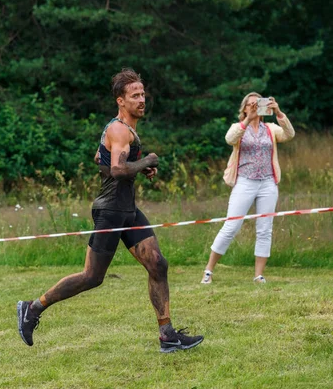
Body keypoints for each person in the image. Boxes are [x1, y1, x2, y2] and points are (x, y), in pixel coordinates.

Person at [17, 68, 203, 353]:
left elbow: (100, 159)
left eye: (143, 94)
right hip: (111, 212)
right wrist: (147, 160)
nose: (142, 100)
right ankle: (32, 308)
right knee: (92, 277)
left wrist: (140, 168)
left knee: (157, 264)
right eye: (134, 96)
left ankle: (167, 335)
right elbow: (116, 170)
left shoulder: (122, 130)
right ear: (120, 100)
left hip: (128, 210)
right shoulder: (118, 128)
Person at [201, 92, 295, 284]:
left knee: (264, 229)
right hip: (245, 181)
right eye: (250, 105)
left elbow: (289, 134)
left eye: (257, 104)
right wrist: (247, 121)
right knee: (231, 226)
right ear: (244, 108)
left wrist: (278, 112)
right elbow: (230, 138)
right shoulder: (238, 127)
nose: (254, 107)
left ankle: (258, 275)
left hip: (268, 183)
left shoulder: (270, 128)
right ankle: (209, 270)